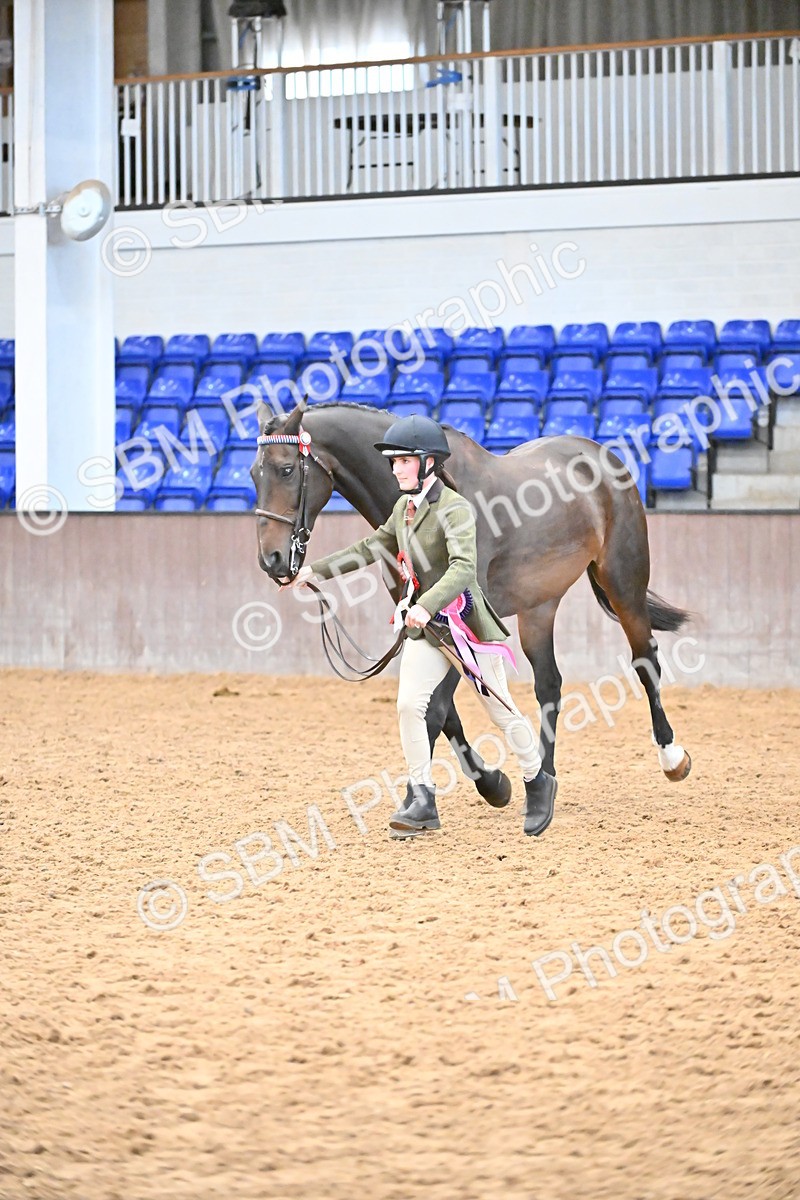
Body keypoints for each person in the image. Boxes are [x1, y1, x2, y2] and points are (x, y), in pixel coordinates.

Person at [286, 415, 557, 839]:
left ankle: (537, 779)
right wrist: (313, 572)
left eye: (402, 462)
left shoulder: (455, 509)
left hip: (466, 625)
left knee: (501, 710)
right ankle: (422, 797)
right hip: (427, 629)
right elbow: (371, 546)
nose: (394, 470)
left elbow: (463, 568)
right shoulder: (403, 509)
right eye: (393, 463)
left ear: (429, 462)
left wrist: (426, 605)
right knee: (409, 705)